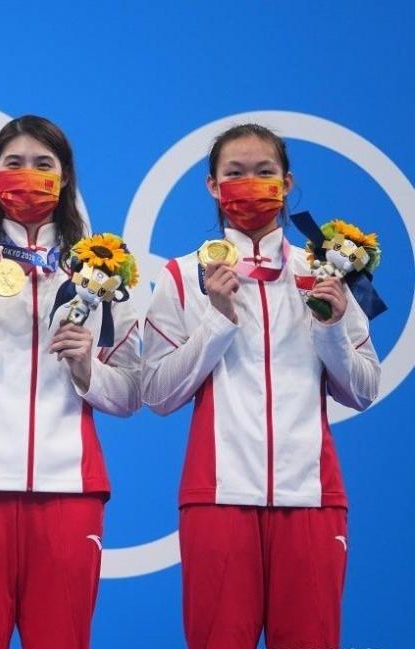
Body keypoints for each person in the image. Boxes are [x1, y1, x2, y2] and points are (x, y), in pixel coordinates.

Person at [141, 123, 381, 648]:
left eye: (264, 172)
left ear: (288, 183)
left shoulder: (326, 273)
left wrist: (333, 327)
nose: (249, 184)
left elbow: (364, 390)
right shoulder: (183, 278)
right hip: (218, 500)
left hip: (313, 499)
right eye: (235, 173)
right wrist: (218, 320)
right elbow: (157, 394)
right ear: (212, 186)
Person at [0, 115, 141, 649]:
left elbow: (130, 394)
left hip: (69, 492)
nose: (28, 175)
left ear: (64, 180)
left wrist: (88, 370)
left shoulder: (105, 270)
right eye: (14, 163)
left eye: (44, 164)